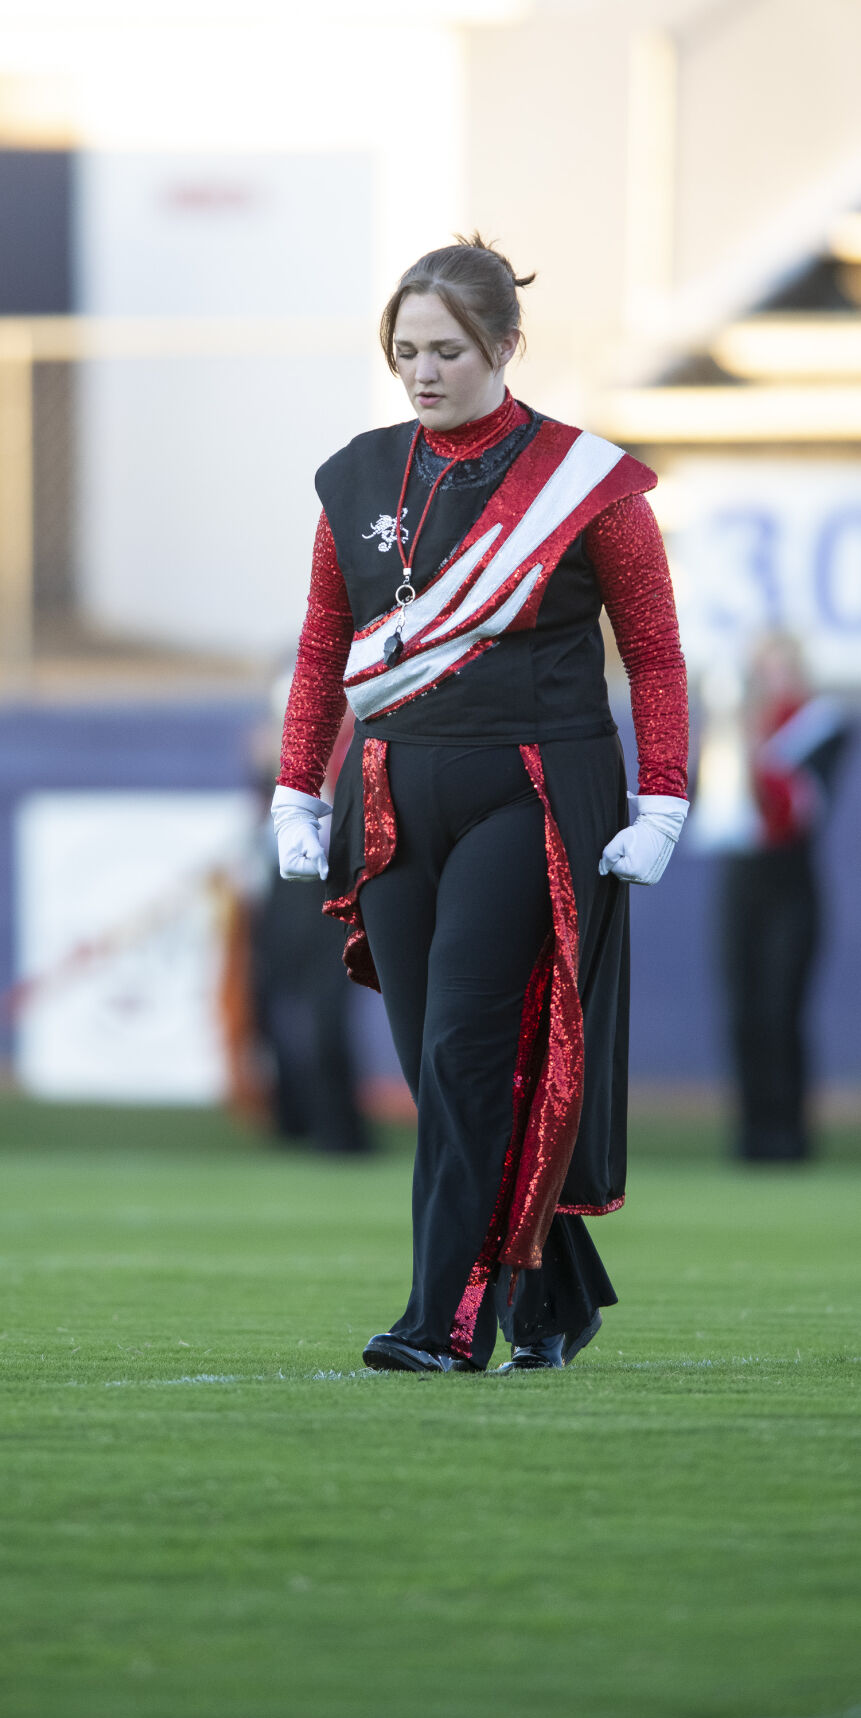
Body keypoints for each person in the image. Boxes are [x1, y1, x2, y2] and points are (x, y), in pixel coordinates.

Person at [270, 236, 689, 1374]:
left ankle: (441, 1321)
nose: (421, 371)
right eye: (403, 350)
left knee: (464, 1047)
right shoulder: (354, 473)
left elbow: (651, 653)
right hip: (393, 789)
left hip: (536, 786)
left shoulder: (585, 481)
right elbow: (322, 647)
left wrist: (662, 796)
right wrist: (293, 786)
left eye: (446, 349)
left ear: (504, 344)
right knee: (432, 1058)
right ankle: (553, 1290)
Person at [717, 634, 849, 1162]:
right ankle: (751, 1135)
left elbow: (802, 808)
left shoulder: (820, 726)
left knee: (780, 1010)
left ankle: (788, 1136)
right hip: (740, 881)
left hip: (791, 885)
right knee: (743, 1011)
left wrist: (753, 748)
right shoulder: (734, 728)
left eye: (780, 667)